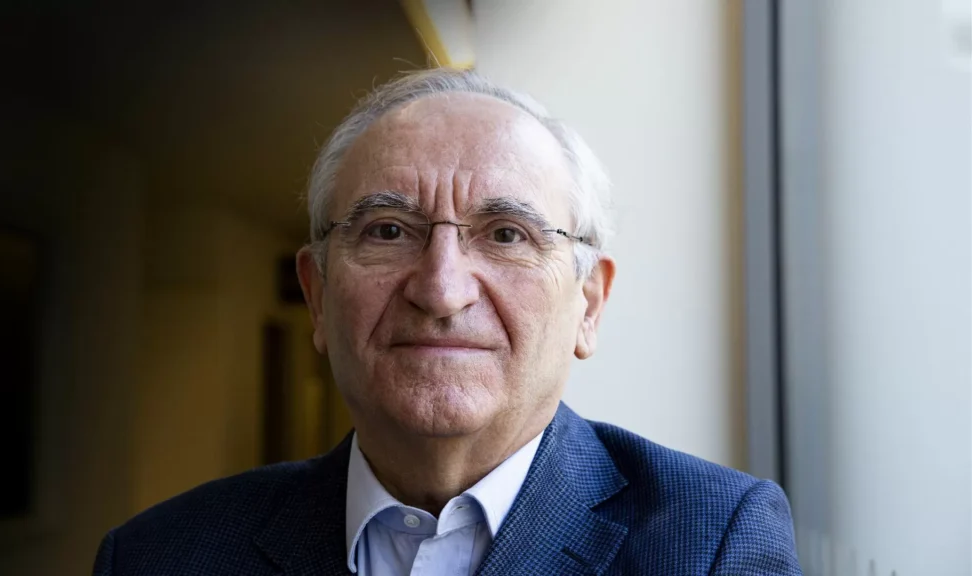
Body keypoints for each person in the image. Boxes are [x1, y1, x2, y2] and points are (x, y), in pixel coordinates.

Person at [92, 68, 801, 576]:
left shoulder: (713, 543)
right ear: (317, 295)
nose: (441, 290)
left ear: (588, 304)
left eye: (506, 235)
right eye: (388, 231)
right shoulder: (158, 557)